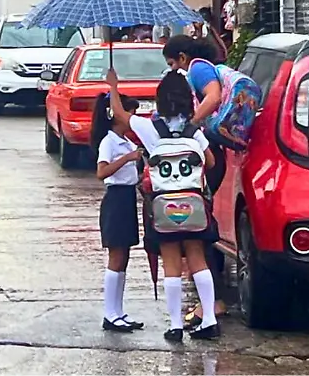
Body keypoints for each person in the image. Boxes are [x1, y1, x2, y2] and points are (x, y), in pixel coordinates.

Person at [107, 69, 220, 341]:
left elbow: (121, 115)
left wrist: (113, 86)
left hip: (163, 209)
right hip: (193, 207)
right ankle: (209, 320)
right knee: (197, 259)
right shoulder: (194, 131)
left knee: (171, 262)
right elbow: (212, 162)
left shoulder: (150, 128)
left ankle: (175, 325)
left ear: (160, 101)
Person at [161, 34, 229, 327]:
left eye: (172, 62)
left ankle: (212, 304)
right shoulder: (200, 67)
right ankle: (212, 300)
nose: (173, 68)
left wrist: (190, 128)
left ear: (182, 57)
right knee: (200, 228)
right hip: (208, 151)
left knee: (198, 229)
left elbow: (213, 96)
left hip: (207, 153)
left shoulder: (199, 69)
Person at [92, 92, 146, 333]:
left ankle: (119, 311)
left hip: (127, 198)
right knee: (115, 257)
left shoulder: (127, 140)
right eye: (129, 112)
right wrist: (128, 158)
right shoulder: (109, 142)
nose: (131, 117)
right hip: (115, 198)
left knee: (124, 257)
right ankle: (109, 313)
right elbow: (102, 172)